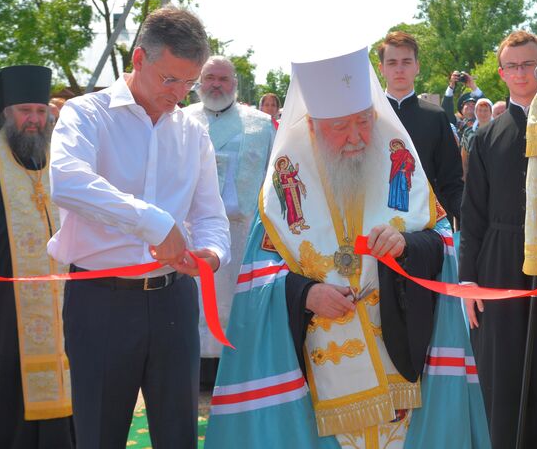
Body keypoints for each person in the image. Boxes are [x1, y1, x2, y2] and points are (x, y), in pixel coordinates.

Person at [205, 47, 489, 449]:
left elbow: (441, 236)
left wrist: (406, 245)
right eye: (341, 126)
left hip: (400, 358)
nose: (357, 137)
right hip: (319, 370)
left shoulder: (397, 157)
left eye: (364, 121)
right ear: (313, 124)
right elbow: (259, 279)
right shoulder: (286, 181)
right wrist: (306, 294)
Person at [48, 6, 231, 448]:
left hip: (174, 300)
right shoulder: (86, 114)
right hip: (100, 300)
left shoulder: (192, 132)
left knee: (178, 434)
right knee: (99, 433)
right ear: (138, 60)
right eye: (170, 79)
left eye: (188, 83)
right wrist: (154, 223)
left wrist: (211, 252)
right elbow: (67, 181)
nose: (179, 94)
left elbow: (210, 213)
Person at [460, 29, 537, 448]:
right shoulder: (487, 136)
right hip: (499, 261)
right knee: (504, 372)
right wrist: (467, 280)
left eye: (529, 64)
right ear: (500, 73)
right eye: (511, 66)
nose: (520, 73)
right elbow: (471, 214)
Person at [0, 65, 74, 448]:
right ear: (6, 112)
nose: (35, 120)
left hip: (65, 297)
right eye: (25, 111)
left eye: (40, 110)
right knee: (4, 382)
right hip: (1, 301)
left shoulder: (64, 156)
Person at [186, 56, 275, 387]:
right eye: (209, 77)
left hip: (243, 234)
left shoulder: (261, 125)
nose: (216, 85)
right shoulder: (179, 120)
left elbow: (272, 179)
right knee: (195, 301)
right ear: (198, 82)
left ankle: (238, 370)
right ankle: (198, 372)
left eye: (223, 79)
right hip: (194, 232)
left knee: (237, 301)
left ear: (235, 85)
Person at [378, 31, 464, 223]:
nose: (399, 69)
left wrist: (471, 221)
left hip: (427, 225)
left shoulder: (436, 116)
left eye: (406, 62)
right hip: (377, 224)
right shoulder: (368, 117)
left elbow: (450, 181)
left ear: (417, 67)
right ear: (381, 68)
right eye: (392, 63)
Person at [460, 98, 493, 179]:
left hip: (493, 174)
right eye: (480, 110)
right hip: (474, 175)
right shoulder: (468, 132)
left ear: (491, 112)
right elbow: (464, 157)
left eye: (485, 110)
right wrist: (464, 176)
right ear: (476, 112)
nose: (482, 113)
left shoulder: (497, 130)